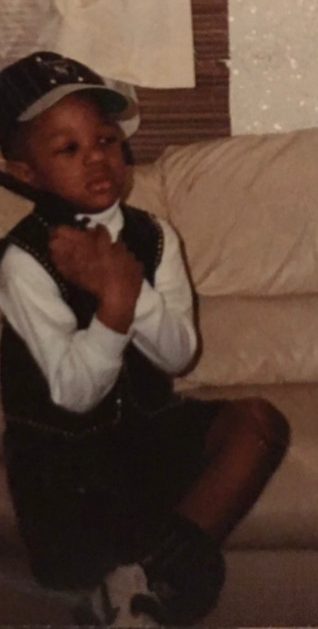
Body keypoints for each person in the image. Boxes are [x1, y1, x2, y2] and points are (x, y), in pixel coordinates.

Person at [0, 51, 290, 626]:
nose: (97, 159)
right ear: (25, 173)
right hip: (69, 467)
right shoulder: (22, 262)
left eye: (106, 140)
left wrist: (130, 287)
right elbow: (74, 394)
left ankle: (140, 587)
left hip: (147, 434)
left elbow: (179, 355)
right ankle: (147, 587)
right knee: (117, 524)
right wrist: (115, 306)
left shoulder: (155, 236)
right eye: (68, 150)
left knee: (258, 422)